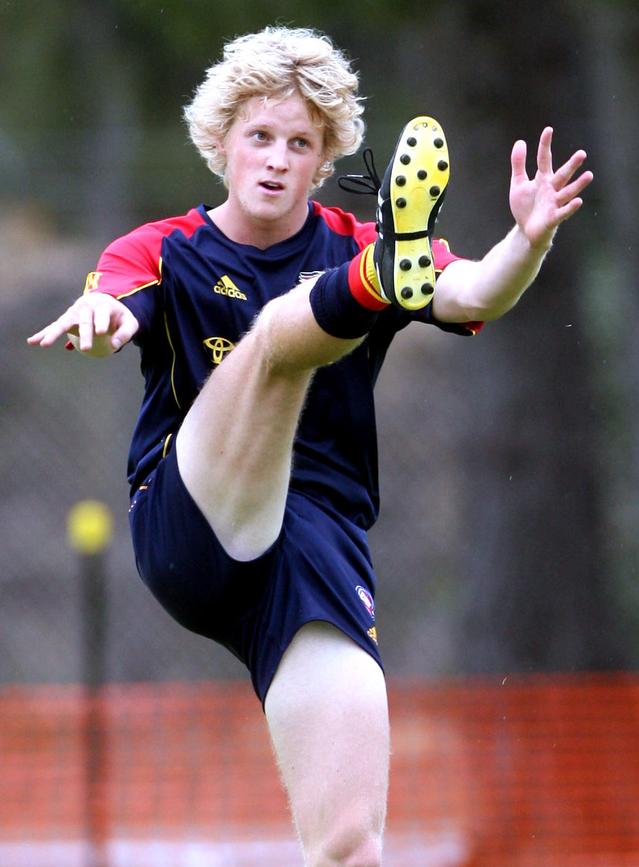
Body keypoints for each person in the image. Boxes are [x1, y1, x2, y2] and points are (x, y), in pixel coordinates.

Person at [28, 26, 593, 867]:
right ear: (220, 141)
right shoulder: (164, 249)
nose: (278, 158)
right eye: (260, 136)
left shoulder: (359, 238)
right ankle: (357, 299)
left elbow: (476, 290)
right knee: (277, 343)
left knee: (350, 845)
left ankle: (364, 294)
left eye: (302, 143)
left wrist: (528, 240)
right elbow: (113, 306)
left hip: (314, 556)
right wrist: (104, 319)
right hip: (194, 526)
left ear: (325, 159)